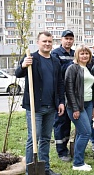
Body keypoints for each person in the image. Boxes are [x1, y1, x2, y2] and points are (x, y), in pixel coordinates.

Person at [15, 31, 64, 175]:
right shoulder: (31, 57)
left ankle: (45, 169)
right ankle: (30, 171)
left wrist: (61, 101)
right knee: (33, 139)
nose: (47, 44)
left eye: (49, 41)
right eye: (44, 41)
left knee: (46, 139)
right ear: (38, 42)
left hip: (51, 107)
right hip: (35, 107)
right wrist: (23, 65)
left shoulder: (55, 60)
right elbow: (18, 73)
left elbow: (60, 83)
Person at [65, 45, 94, 171]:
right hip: (76, 106)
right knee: (85, 132)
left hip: (88, 104)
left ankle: (79, 160)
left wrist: (93, 107)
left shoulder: (87, 68)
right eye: (82, 53)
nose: (85, 56)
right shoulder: (72, 68)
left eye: (87, 53)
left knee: (81, 133)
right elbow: (69, 90)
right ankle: (78, 163)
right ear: (77, 55)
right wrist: (75, 108)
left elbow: (89, 88)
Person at [51, 30, 75, 162]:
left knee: (68, 122)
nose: (68, 41)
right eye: (66, 38)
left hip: (72, 92)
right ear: (61, 40)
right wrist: (71, 65)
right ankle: (61, 151)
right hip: (60, 92)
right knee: (60, 121)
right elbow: (57, 71)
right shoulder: (55, 53)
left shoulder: (75, 53)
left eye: (71, 39)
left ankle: (67, 147)